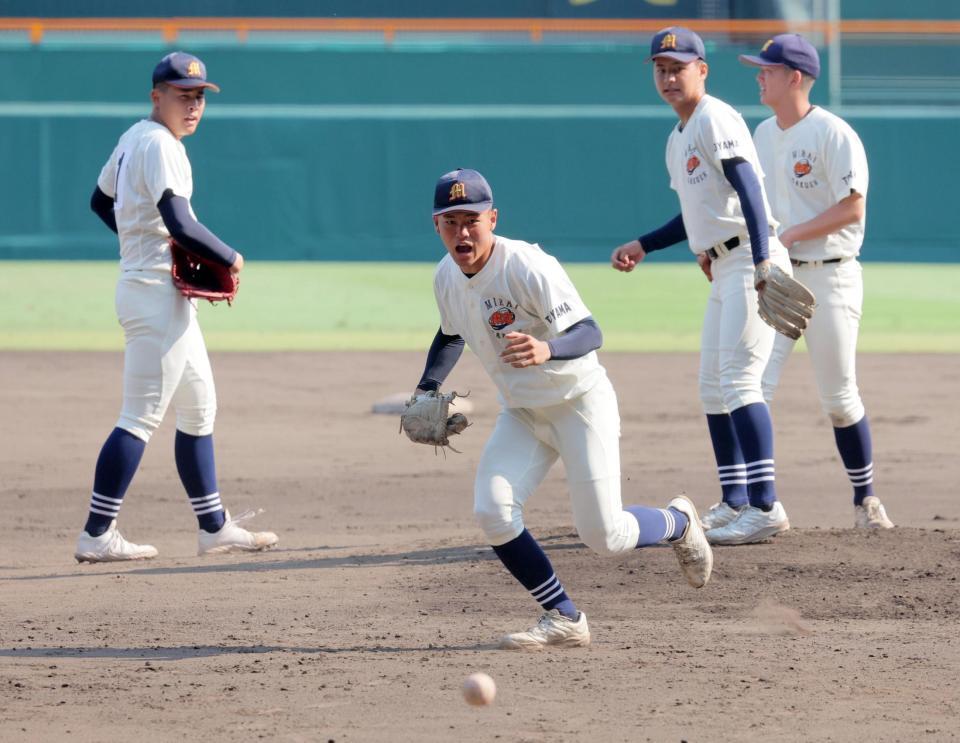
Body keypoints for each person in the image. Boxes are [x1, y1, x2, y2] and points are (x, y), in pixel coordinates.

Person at [413, 167, 713, 650]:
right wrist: (427, 387)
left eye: (471, 219)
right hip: (523, 414)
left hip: (578, 404)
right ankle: (565, 617)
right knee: (492, 511)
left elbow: (591, 333)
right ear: (436, 226)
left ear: (493, 218)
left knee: (606, 536)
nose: (462, 232)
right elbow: (451, 333)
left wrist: (546, 349)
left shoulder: (526, 266)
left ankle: (678, 522)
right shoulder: (446, 276)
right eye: (450, 221)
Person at [75, 52, 279, 562]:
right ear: (156, 96)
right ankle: (97, 533)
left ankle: (213, 526)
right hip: (153, 295)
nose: (192, 106)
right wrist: (229, 257)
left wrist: (141, 241)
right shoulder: (162, 145)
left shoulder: (132, 139)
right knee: (140, 417)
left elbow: (102, 203)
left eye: (199, 97)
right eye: (182, 95)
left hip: (154, 291)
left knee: (198, 404)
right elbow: (180, 222)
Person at [610, 27, 794, 545]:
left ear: (702, 70)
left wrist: (763, 265)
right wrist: (645, 244)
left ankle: (765, 505)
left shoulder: (714, 117)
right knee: (712, 386)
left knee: (739, 381)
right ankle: (735, 499)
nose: (669, 77)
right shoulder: (678, 137)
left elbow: (750, 190)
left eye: (679, 67)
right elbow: (696, 213)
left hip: (750, 262)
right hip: (723, 265)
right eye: (661, 69)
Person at [739, 34, 893, 528]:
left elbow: (853, 207)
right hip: (778, 277)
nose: (759, 75)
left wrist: (790, 235)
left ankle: (865, 501)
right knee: (752, 387)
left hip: (831, 277)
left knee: (839, 397)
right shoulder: (760, 134)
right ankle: (754, 503)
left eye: (768, 69)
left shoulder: (834, 133)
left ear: (795, 78)